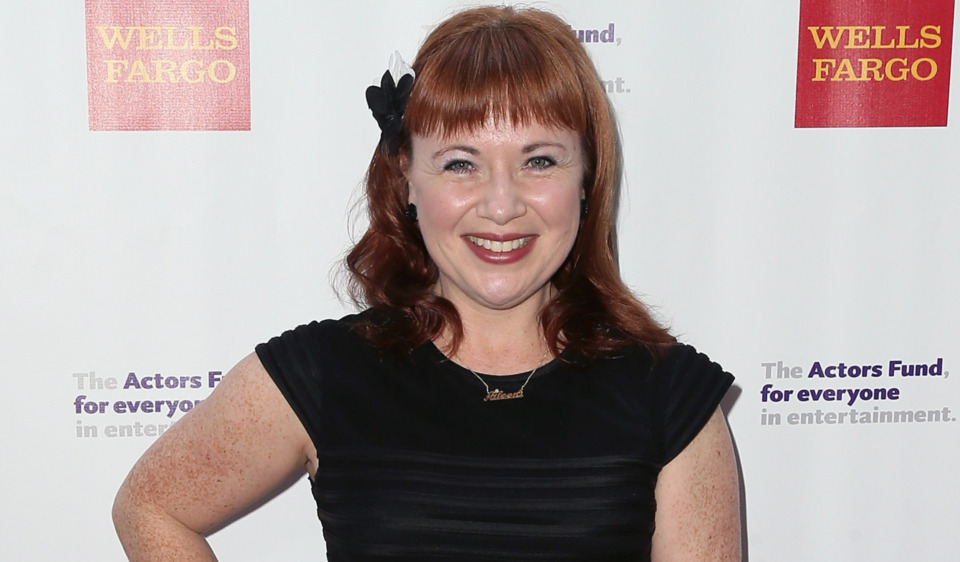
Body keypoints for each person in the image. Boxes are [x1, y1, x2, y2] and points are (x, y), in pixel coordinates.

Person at [112, 5, 741, 561]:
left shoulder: (671, 396)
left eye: (539, 160)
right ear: (407, 178)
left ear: (586, 179)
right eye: (461, 163)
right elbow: (152, 507)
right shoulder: (325, 373)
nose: (501, 205)